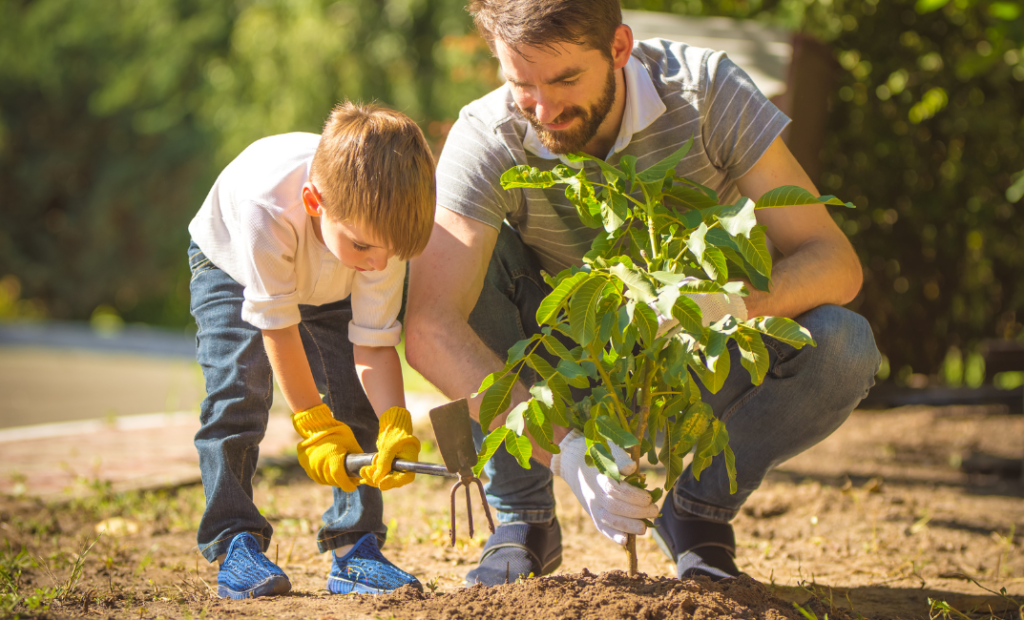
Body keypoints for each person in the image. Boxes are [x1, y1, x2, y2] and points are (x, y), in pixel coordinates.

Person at [405, 0, 880, 585]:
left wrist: (730, 304)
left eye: (565, 79)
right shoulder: (490, 133)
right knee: (465, 256)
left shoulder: (705, 92)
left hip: (695, 359)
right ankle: (522, 519)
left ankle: (696, 516)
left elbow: (835, 261)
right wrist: (564, 449)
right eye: (521, 83)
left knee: (844, 345)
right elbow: (430, 325)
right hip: (564, 367)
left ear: (620, 49)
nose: (543, 109)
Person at [187, 102, 435, 598]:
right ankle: (234, 540)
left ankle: (355, 546)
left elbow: (374, 343)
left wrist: (394, 420)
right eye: (367, 247)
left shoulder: (376, 240)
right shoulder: (267, 207)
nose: (380, 263)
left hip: (330, 276)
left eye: (391, 252)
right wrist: (314, 424)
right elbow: (277, 327)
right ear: (314, 202)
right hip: (234, 265)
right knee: (239, 391)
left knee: (356, 399)